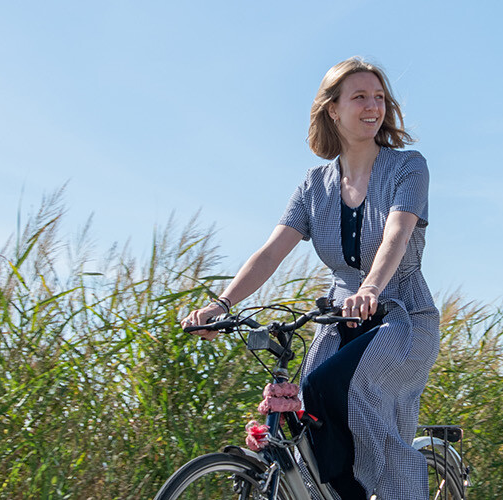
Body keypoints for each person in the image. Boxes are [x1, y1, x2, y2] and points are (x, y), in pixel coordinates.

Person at [181, 56, 438, 500]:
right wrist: (220, 305)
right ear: (333, 109)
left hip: (402, 316)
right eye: (359, 97)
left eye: (379, 97)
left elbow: (397, 233)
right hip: (341, 318)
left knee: (331, 387)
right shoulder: (314, 184)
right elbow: (271, 251)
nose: (372, 106)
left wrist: (371, 289)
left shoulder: (408, 168)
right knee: (305, 412)